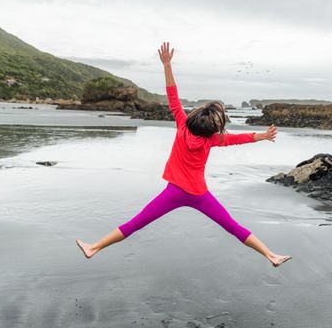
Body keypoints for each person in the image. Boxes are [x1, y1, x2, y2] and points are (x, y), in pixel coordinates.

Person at [76, 42, 292, 268]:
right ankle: (270, 255)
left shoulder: (182, 126)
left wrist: (167, 64)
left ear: (194, 119)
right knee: (232, 226)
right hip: (199, 194)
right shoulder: (212, 140)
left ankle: (94, 247)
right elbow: (238, 138)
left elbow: (172, 95)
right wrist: (263, 136)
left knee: (136, 223)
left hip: (173, 192)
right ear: (210, 128)